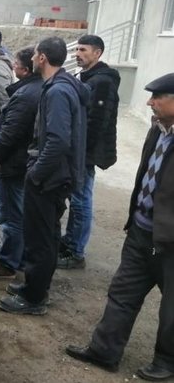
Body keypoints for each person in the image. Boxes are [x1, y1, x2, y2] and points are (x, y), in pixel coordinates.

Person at [64, 72, 174, 381]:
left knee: (172, 309)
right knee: (122, 293)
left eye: (158, 98)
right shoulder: (158, 130)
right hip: (141, 231)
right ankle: (104, 351)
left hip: (169, 241)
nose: (150, 102)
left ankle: (167, 362)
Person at [0, 36, 88, 315]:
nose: (32, 58)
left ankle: (34, 298)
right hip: (55, 176)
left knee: (41, 239)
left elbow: (58, 141)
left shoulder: (58, 91)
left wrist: (36, 174)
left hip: (49, 178)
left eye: (35, 54)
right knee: (45, 235)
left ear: (42, 58)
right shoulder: (61, 85)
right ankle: (33, 287)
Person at [0, 47, 43, 279]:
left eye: (16, 62)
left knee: (11, 214)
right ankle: (20, 257)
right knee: (20, 212)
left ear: (24, 68)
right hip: (22, 161)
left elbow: (10, 133)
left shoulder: (25, 95)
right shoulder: (37, 88)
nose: (12, 66)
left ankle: (7, 262)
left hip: (13, 164)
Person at [59, 35, 121, 269]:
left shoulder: (103, 81)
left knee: (82, 199)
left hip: (86, 152)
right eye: (77, 49)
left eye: (83, 50)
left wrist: (83, 154)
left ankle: (76, 252)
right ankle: (70, 240)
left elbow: (98, 122)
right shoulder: (86, 77)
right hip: (79, 150)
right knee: (76, 197)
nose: (78, 54)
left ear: (98, 53)